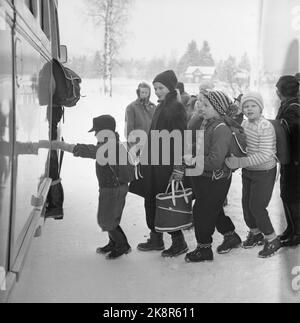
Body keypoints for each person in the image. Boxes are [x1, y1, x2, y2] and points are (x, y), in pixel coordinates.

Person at [52, 115, 131, 260]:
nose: (95, 134)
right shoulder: (111, 142)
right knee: (110, 217)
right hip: (113, 187)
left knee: (106, 220)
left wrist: (66, 147)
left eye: (97, 131)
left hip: (113, 188)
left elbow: (90, 151)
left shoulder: (109, 146)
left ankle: (122, 245)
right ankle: (113, 242)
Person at [135, 70, 189, 258]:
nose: (157, 91)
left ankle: (179, 241)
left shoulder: (175, 107)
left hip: (166, 163)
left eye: (161, 88)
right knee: (151, 198)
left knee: (164, 201)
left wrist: (178, 166)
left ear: (171, 88)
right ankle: (156, 238)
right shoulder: (162, 105)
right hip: (154, 161)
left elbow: (181, 138)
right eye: (156, 88)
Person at [184, 90, 242, 263]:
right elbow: (203, 146)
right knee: (213, 209)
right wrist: (189, 148)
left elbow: (215, 161)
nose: (201, 107)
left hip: (215, 178)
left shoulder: (221, 128)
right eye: (200, 103)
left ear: (218, 109)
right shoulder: (207, 123)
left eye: (206, 105)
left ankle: (204, 249)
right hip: (205, 176)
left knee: (201, 212)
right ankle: (231, 236)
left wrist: (194, 161)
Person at [226, 92, 281, 258]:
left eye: (253, 105)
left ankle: (271, 238)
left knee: (257, 206)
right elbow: (244, 147)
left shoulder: (264, 126)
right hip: (249, 171)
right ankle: (255, 233)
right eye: (246, 106)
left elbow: (265, 154)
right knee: (246, 204)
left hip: (264, 172)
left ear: (260, 108)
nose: (249, 109)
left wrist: (240, 162)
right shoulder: (245, 123)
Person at [275, 75, 300, 247]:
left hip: (295, 161)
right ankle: (291, 228)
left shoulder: (293, 109)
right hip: (289, 159)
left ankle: (297, 233)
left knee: (293, 197)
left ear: (279, 92)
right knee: (286, 194)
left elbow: (295, 134)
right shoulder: (288, 105)